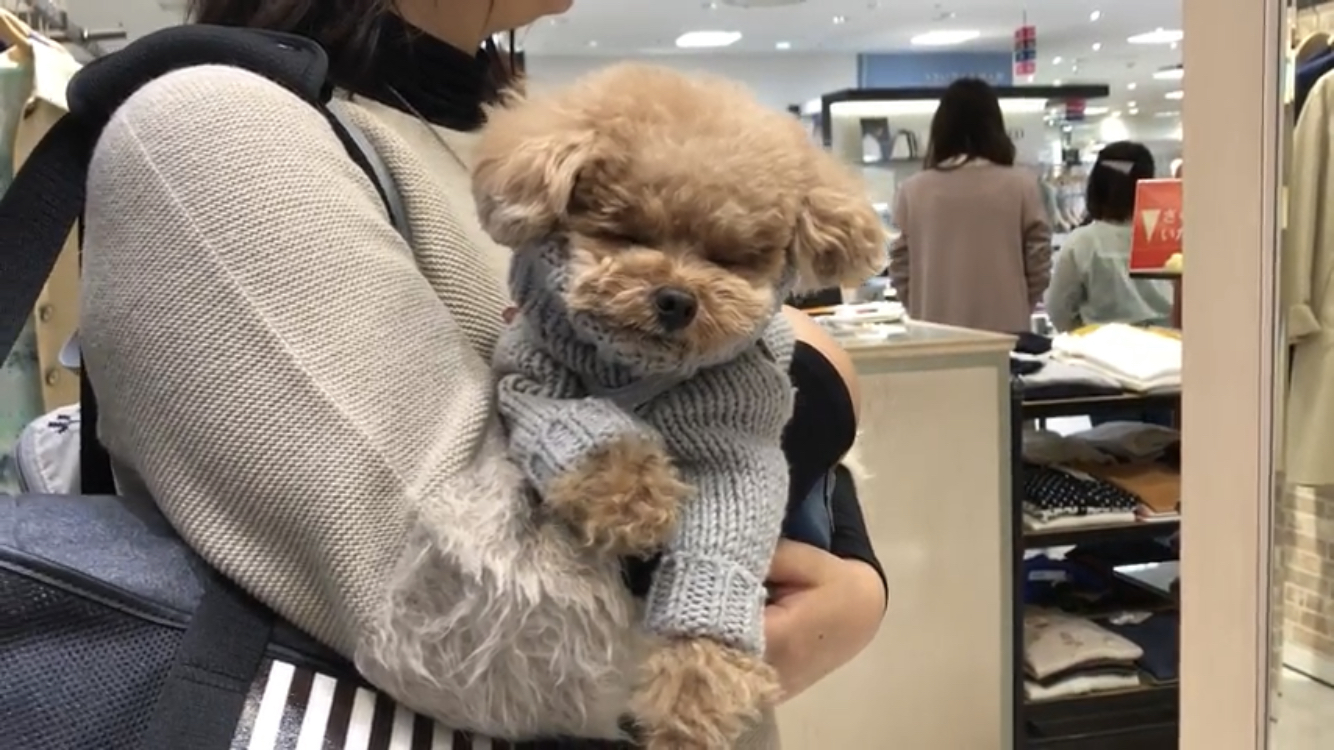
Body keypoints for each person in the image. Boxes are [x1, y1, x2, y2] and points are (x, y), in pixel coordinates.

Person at [76, 0, 886, 744]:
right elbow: (461, 616)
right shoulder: (219, 133)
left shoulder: (543, 132)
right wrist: (818, 397)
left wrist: (854, 575)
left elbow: (741, 437)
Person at [888, 77, 1052, 333]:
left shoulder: (912, 190)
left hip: (933, 331)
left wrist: (922, 304)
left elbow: (899, 265)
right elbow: (1039, 263)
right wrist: (1017, 302)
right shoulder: (1023, 185)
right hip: (1005, 333)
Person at [1044, 141, 1174, 334]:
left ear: (1097, 185)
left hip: (1101, 352)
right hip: (1168, 347)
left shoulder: (1083, 243)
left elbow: (1058, 309)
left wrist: (1083, 334)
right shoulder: (1169, 237)